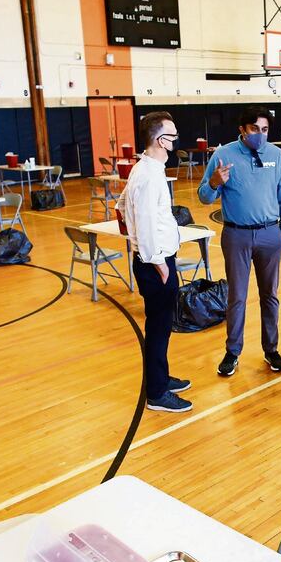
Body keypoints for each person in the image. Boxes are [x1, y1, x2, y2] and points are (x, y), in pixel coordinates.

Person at [198, 106, 281, 376]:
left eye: (265, 130)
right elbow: (204, 197)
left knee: (270, 296)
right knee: (237, 297)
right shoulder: (223, 155)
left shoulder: (278, 157)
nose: (260, 135)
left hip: (270, 234)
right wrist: (215, 182)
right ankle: (232, 352)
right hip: (236, 234)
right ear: (242, 129)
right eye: (255, 129)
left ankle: (271, 350)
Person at [116, 111, 192, 412]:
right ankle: (157, 393)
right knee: (159, 327)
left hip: (153, 260)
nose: (175, 139)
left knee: (160, 327)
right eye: (172, 134)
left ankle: (160, 378)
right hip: (155, 265)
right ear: (161, 140)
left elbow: (121, 206)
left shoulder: (146, 169)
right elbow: (145, 222)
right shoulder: (148, 176)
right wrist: (158, 262)